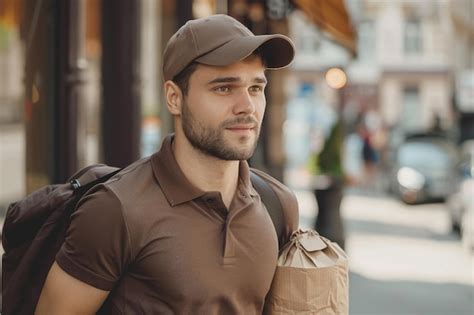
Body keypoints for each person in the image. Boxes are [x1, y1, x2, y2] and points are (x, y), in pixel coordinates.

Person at [35, 14, 299, 314]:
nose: (247, 107)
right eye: (224, 88)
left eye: (255, 88)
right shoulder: (116, 210)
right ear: (174, 98)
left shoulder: (277, 205)